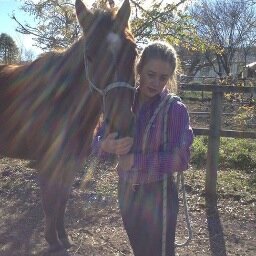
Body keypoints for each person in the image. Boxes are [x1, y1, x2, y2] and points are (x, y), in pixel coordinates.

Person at [92, 41, 194, 256]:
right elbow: (97, 140)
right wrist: (105, 145)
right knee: (140, 250)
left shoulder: (174, 109)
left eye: (163, 77)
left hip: (159, 194)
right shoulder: (121, 100)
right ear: (139, 68)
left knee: (160, 252)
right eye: (150, 74)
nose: (155, 82)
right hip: (127, 191)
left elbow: (182, 158)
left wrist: (137, 161)